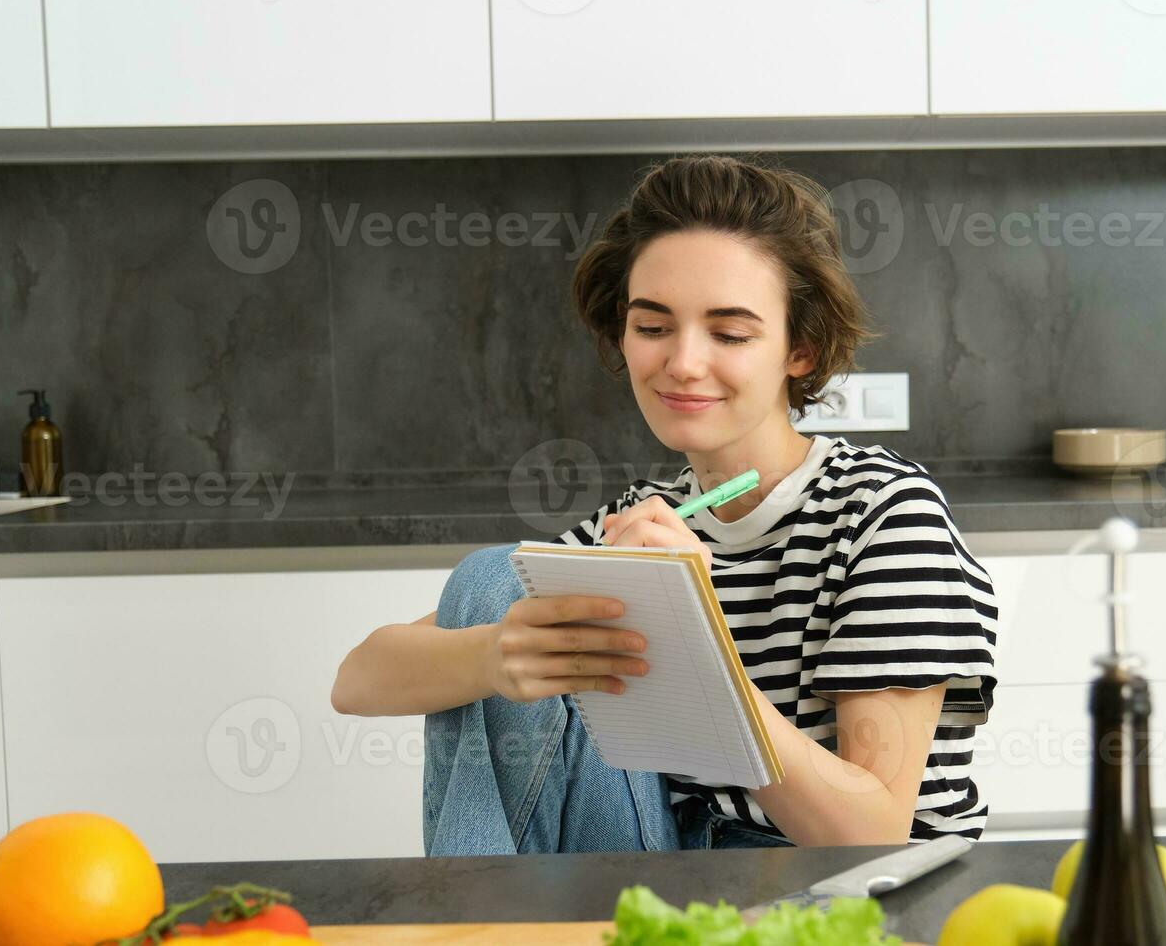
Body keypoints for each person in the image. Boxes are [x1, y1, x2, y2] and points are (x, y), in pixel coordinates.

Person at [329, 155, 997, 855]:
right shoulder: (642, 519)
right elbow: (357, 680)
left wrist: (692, 643)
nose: (681, 362)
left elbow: (872, 833)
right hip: (671, 867)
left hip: (832, 887)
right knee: (491, 582)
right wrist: (496, 657)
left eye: (730, 334)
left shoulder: (884, 513)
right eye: (652, 327)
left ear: (800, 347)